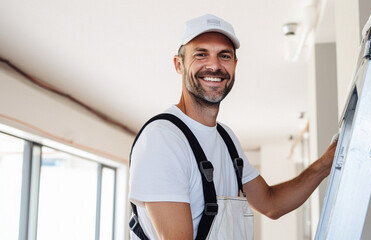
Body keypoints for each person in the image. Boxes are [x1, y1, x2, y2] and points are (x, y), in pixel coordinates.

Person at [128, 14, 338, 240]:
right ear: (179, 64)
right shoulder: (163, 139)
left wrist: (326, 163)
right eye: (201, 54)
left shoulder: (226, 138)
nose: (215, 65)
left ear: (235, 65)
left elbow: (271, 203)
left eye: (224, 55)